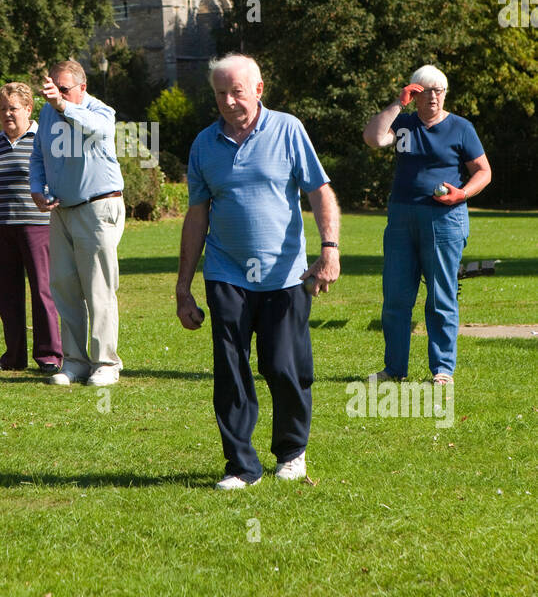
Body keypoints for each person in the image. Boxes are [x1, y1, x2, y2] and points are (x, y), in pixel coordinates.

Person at [176, 54, 340, 489]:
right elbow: (196, 216)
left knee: (285, 367)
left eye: (237, 92)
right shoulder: (204, 144)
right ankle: (241, 466)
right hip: (226, 273)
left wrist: (329, 249)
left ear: (259, 89)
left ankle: (291, 452)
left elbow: (320, 191)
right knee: (230, 370)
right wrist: (183, 287)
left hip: (285, 276)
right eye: (220, 94)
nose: (228, 101)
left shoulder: (288, 129)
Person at [362, 65, 491, 384]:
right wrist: (398, 103)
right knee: (395, 296)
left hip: (445, 218)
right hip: (402, 217)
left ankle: (442, 369)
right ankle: (393, 369)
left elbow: (483, 171)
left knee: (441, 295)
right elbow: (374, 138)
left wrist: (462, 193)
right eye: (425, 90)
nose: (433, 96)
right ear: (414, 93)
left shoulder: (461, 127)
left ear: (445, 94)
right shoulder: (402, 123)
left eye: (439, 90)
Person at [29, 59, 124, 387]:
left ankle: (106, 363)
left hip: (98, 208)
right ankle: (74, 363)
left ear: (82, 87)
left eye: (63, 88)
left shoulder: (101, 111)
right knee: (65, 287)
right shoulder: (46, 112)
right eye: (50, 88)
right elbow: (39, 154)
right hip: (61, 211)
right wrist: (36, 188)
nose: (55, 94)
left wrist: (63, 106)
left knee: (98, 287)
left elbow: (98, 131)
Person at [0, 82, 62, 376]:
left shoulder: (44, 140)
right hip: (0, 229)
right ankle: (13, 356)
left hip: (37, 227)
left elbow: (58, 183)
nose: (6, 114)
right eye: (2, 109)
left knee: (42, 291)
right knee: (6, 294)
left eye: (12, 108)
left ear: (28, 108)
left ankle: (49, 356)